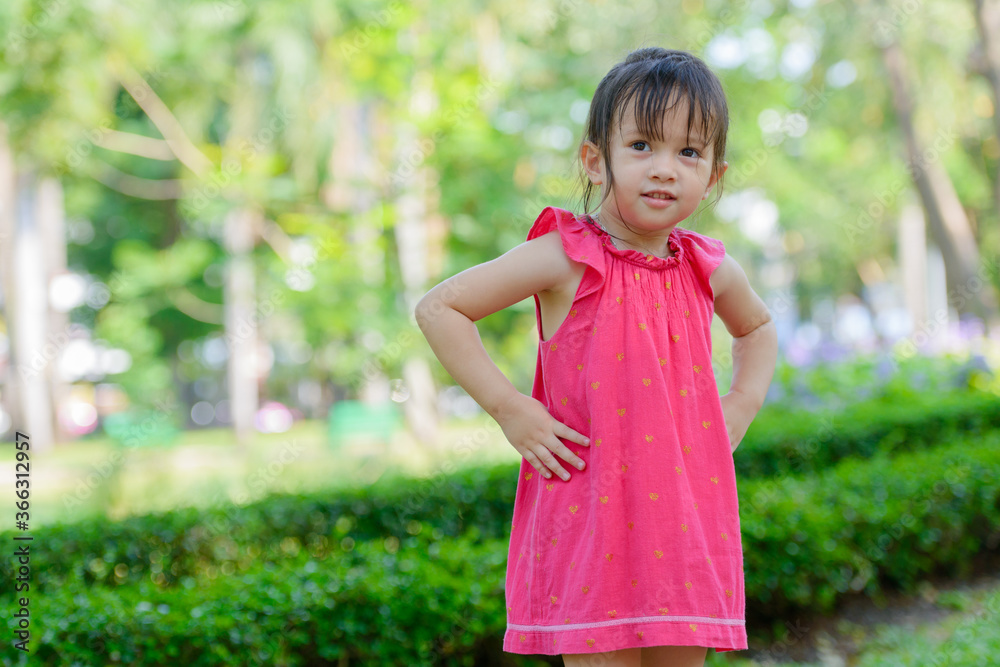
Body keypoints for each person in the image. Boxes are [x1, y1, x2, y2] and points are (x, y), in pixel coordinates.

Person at [415, 46, 777, 667]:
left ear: (714, 175)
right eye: (641, 145)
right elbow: (440, 308)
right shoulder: (567, 256)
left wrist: (740, 404)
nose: (664, 169)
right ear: (595, 159)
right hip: (590, 525)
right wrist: (510, 408)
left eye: (688, 152)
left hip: (684, 525)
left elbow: (759, 328)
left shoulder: (707, 267)